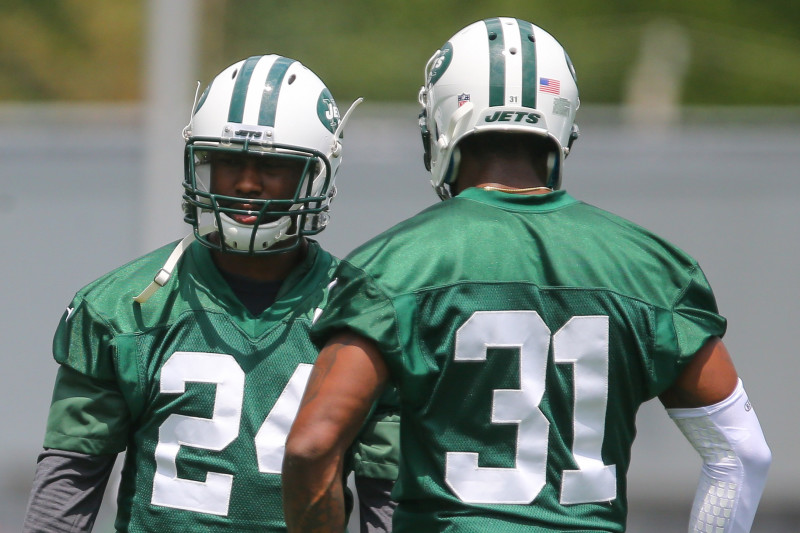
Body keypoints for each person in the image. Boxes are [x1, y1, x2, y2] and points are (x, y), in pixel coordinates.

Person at [282, 17, 772, 533]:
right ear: (561, 127)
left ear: (441, 121)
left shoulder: (396, 265)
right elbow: (742, 457)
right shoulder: (652, 268)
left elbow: (313, 445)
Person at [23, 54, 398, 532]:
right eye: (227, 161)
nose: (245, 182)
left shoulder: (366, 312)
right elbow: (70, 477)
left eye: (272, 165)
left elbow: (387, 493)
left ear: (316, 175)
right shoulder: (123, 307)